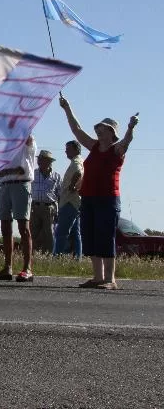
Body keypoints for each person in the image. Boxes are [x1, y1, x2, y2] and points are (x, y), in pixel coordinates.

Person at [59, 96, 139, 290]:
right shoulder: (93, 146)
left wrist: (130, 127)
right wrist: (67, 108)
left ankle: (110, 280)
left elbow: (127, 141)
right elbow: (77, 131)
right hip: (88, 197)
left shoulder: (116, 150)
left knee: (105, 236)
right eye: (98, 129)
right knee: (91, 236)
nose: (98, 131)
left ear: (112, 133)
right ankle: (97, 277)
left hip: (108, 199)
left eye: (102, 129)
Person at [0, 134, 36, 282]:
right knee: (5, 225)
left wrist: (7, 171)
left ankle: (27, 268)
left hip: (21, 185)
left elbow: (21, 170)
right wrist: (8, 171)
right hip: (4, 186)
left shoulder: (26, 140)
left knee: (23, 226)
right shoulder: (2, 145)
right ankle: (7, 267)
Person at [53, 140, 84, 258]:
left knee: (61, 232)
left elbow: (78, 172)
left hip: (69, 201)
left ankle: (57, 257)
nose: (66, 151)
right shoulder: (79, 160)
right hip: (75, 201)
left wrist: (72, 186)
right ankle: (77, 258)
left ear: (75, 149)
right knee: (76, 233)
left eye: (68, 148)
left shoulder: (76, 161)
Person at [29, 150, 62, 253]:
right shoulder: (33, 173)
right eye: (39, 159)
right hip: (35, 206)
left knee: (49, 233)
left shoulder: (56, 176)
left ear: (48, 161)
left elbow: (60, 194)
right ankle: (33, 254)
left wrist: (59, 211)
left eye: (42, 159)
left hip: (49, 207)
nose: (39, 161)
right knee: (33, 232)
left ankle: (48, 255)